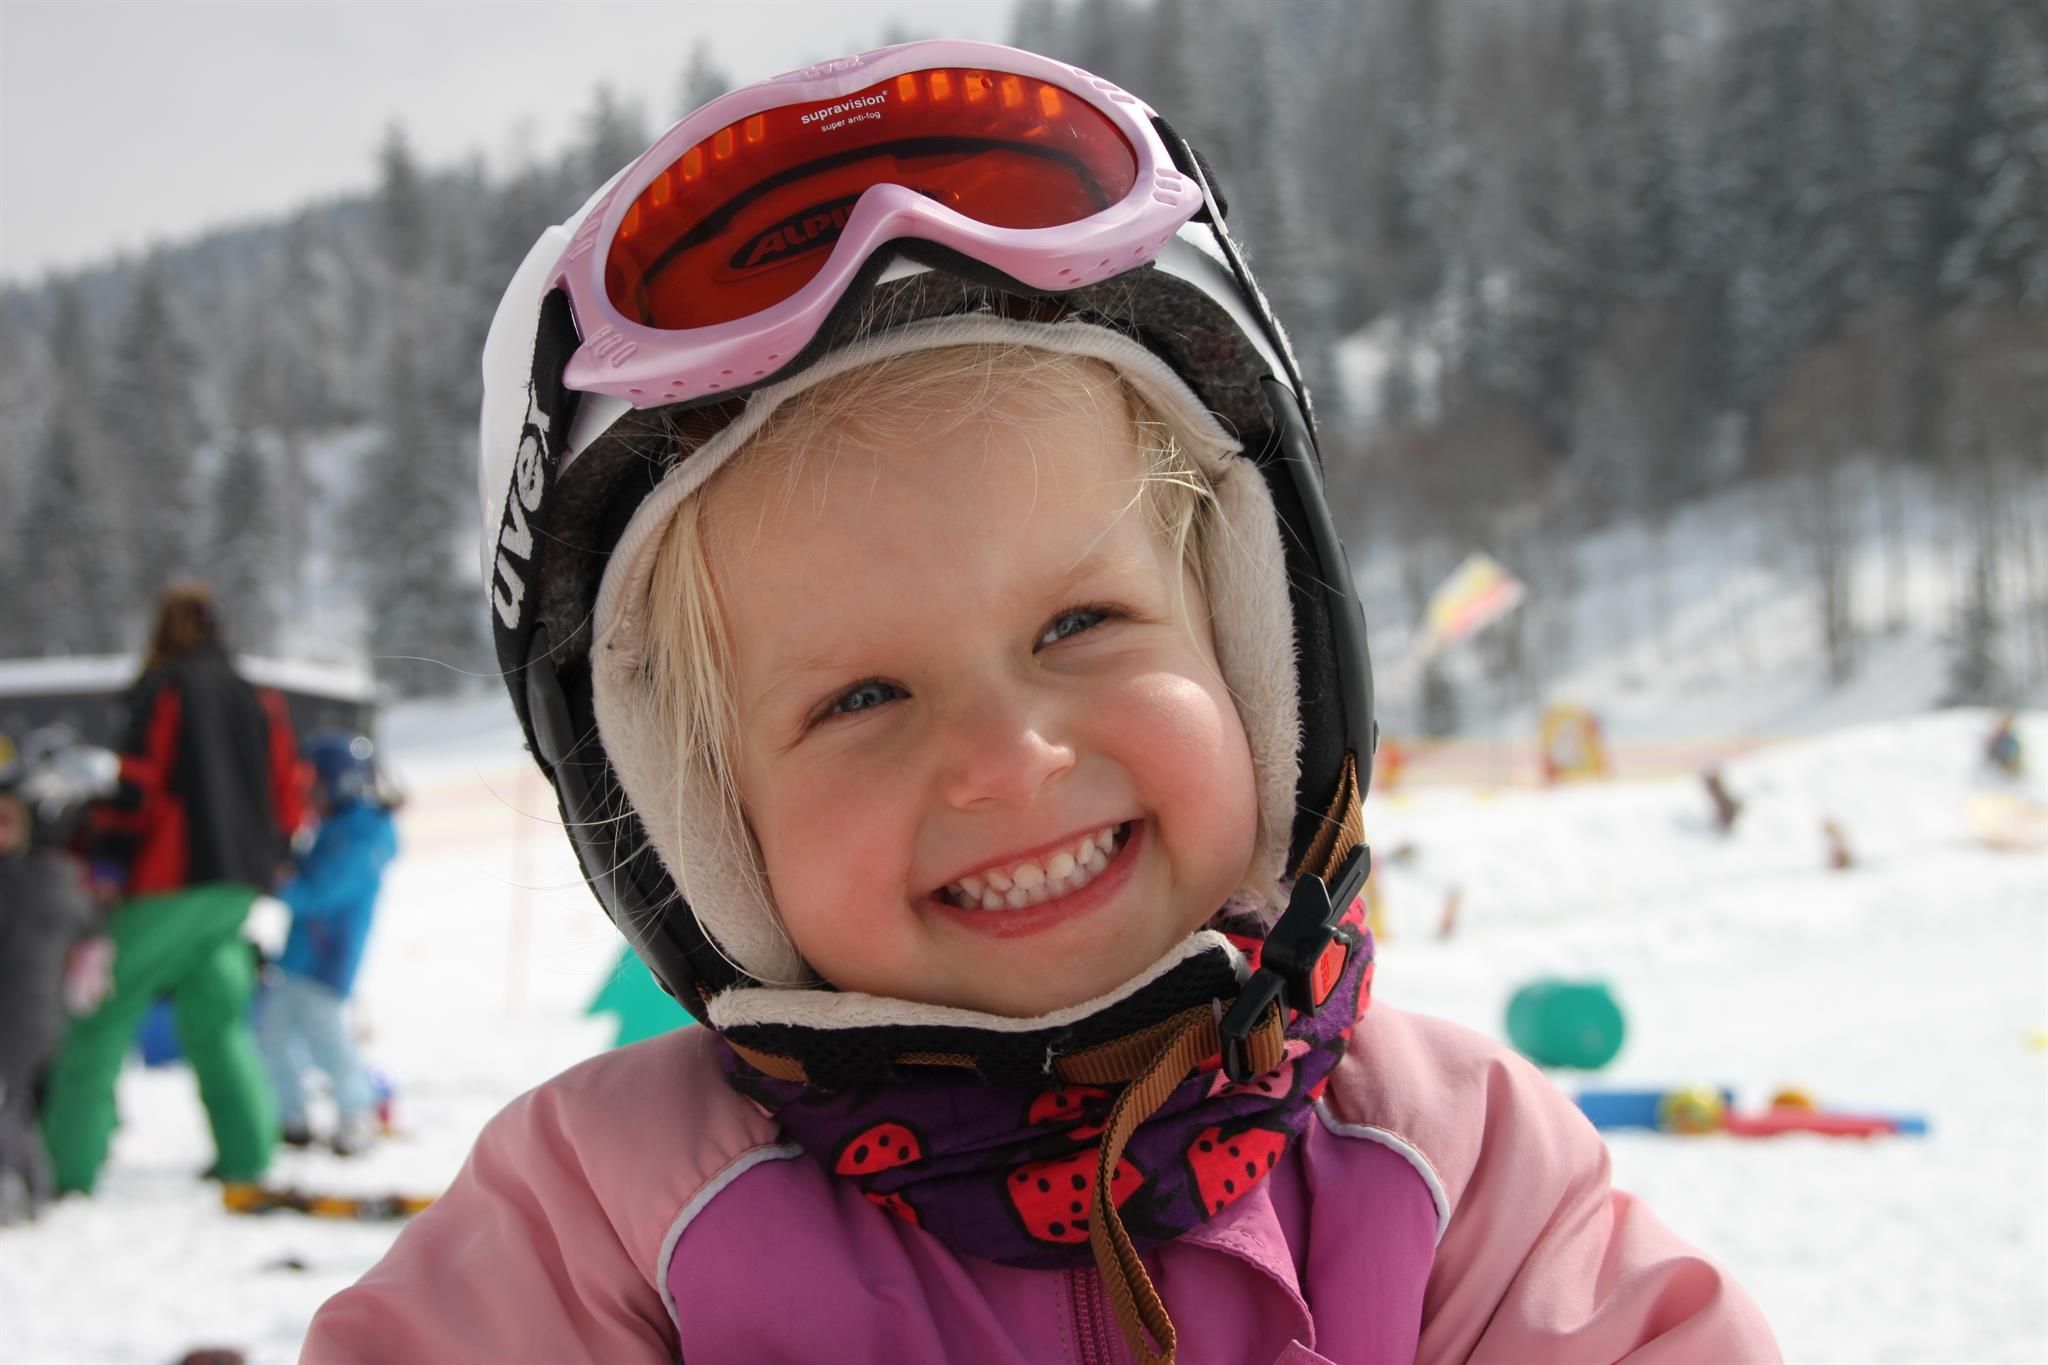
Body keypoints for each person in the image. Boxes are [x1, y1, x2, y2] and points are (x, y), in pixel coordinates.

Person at [308, 41, 1777, 1363]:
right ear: (699, 818)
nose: (1010, 761)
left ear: (1264, 654)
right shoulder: (607, 1224)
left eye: (1081, 622)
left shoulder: (1454, 1176)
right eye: (863, 695)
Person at [40, 582, 304, 1194]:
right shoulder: (258, 697)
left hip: (168, 880)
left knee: (98, 1016)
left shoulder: (162, 690)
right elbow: (290, 793)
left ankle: (65, 1167)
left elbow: (137, 786)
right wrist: (272, 857)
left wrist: (106, 863)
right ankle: (248, 1153)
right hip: (239, 885)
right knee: (215, 1020)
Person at [256, 733, 398, 1157]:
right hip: (299, 956)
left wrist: (282, 883)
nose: (309, 798)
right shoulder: (332, 828)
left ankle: (357, 1114)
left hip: (328, 961)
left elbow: (321, 892)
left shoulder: (364, 836)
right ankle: (291, 1116)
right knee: (272, 1034)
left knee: (329, 1041)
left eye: (313, 788)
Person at [0, 727, 116, 1222]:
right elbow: (96, 924)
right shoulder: (64, 881)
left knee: (12, 1108)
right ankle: (34, 1186)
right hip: (47, 1018)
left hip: (15, 1018)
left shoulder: (22, 883)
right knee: (24, 1104)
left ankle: (26, 1190)